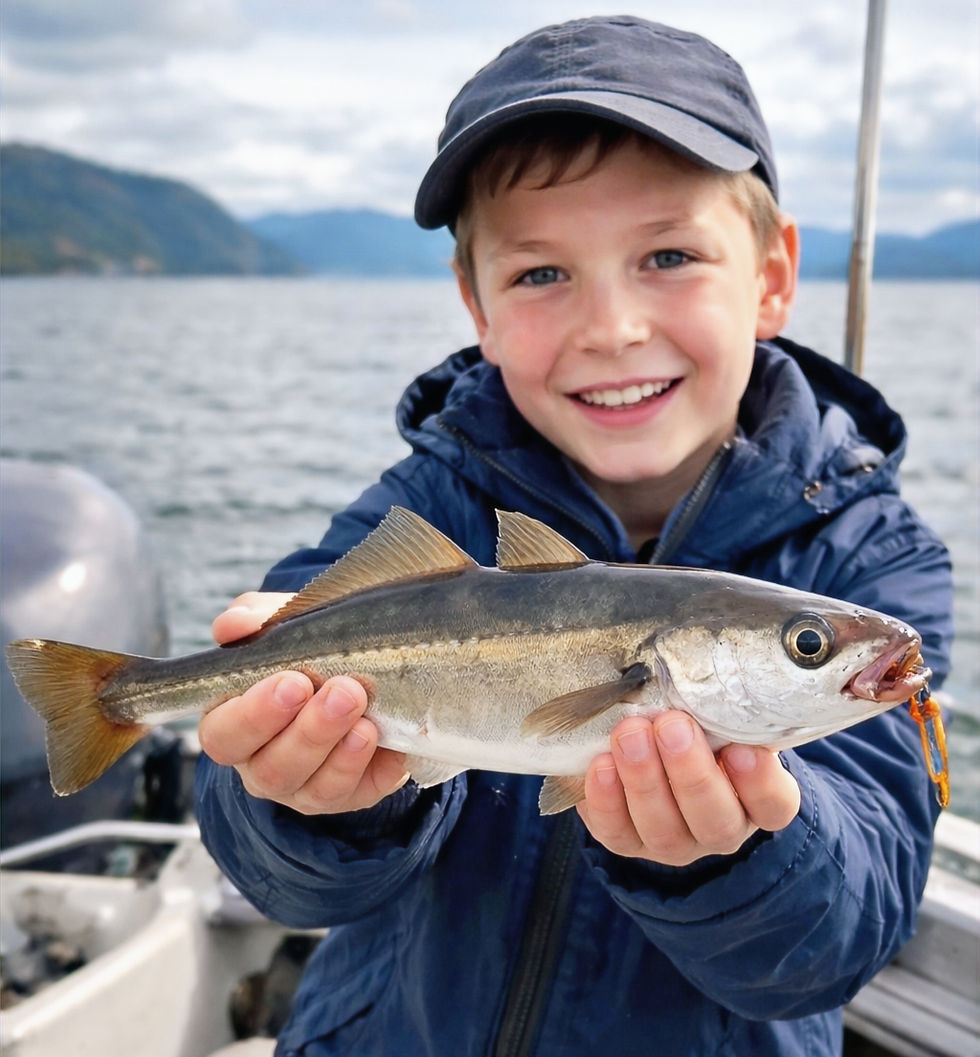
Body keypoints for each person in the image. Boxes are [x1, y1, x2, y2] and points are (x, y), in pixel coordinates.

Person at [195, 15, 953, 1057]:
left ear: (772, 276)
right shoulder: (422, 509)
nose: (611, 328)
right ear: (478, 306)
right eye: (541, 274)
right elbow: (270, 873)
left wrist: (733, 856)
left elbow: (842, 935)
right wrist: (305, 802)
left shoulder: (867, 560)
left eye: (670, 254)